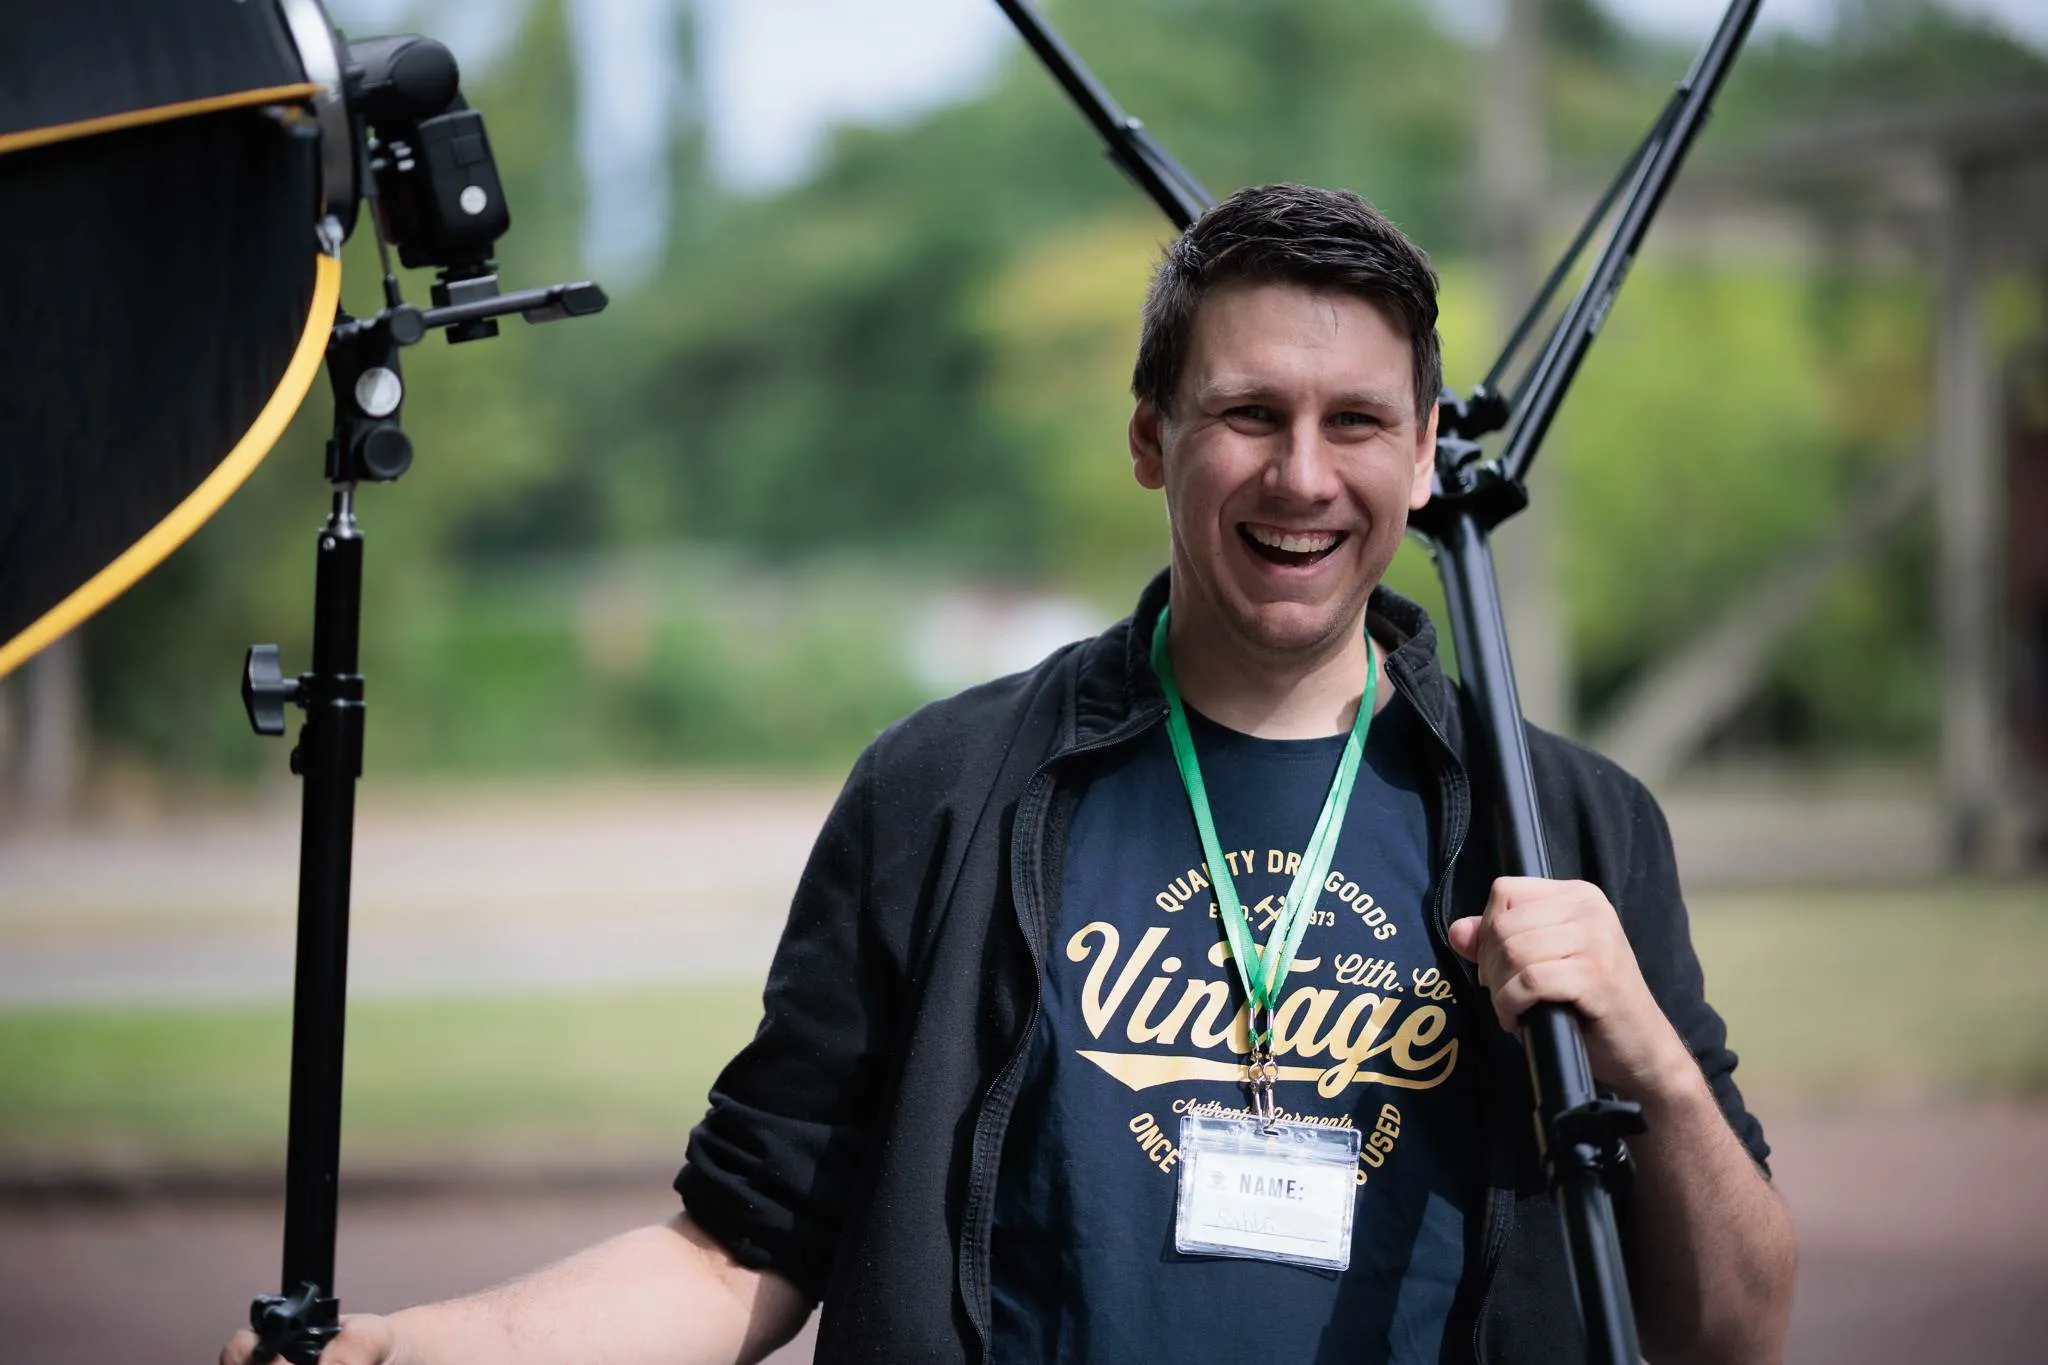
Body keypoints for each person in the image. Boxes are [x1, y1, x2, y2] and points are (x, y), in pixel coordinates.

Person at [223, 183, 1795, 1365]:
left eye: (1356, 422)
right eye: (1249, 414)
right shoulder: (943, 791)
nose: (1304, 474)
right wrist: (424, 1348)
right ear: (1150, 436)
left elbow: (1734, 1328)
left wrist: (1645, 1055)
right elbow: (738, 1253)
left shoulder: (1560, 827)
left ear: (1424, 444)